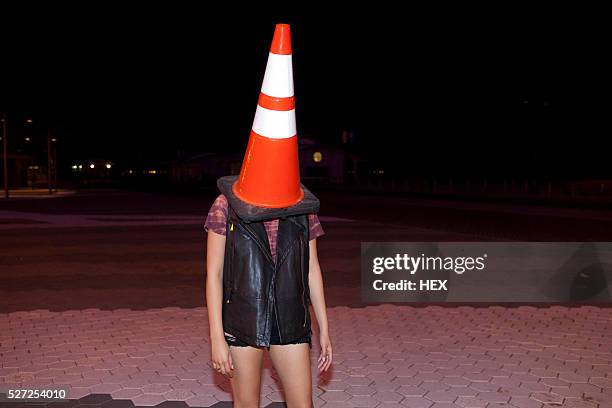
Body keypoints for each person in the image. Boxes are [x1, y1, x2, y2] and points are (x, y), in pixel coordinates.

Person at [204, 23, 332, 407]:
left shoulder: (302, 212)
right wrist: (216, 338)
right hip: (242, 323)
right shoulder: (225, 208)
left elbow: (312, 270)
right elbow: (213, 274)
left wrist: (325, 328)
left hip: (291, 322)